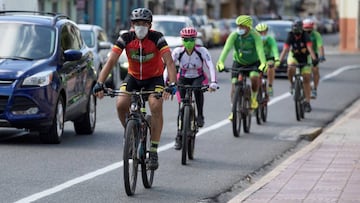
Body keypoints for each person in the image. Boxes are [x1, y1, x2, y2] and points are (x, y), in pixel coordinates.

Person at [92, 8, 177, 170]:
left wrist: (172, 84)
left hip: (154, 79)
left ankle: (153, 150)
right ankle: (131, 133)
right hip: (133, 78)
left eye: (144, 24)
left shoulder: (157, 37)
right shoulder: (125, 38)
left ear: (150, 25)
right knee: (120, 104)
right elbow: (111, 62)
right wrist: (100, 82)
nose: (140, 27)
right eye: (137, 23)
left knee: (155, 105)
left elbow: (170, 62)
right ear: (132, 24)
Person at [163, 27, 218, 150]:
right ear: (182, 40)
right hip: (183, 77)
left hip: (198, 77)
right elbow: (168, 66)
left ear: (195, 40)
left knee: (198, 90)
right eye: (186, 39)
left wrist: (213, 82)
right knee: (181, 107)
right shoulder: (178, 51)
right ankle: (179, 135)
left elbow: (210, 65)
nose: (189, 42)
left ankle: (200, 115)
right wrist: (164, 82)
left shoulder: (202, 50)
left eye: (191, 39)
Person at [216, 15, 267, 120]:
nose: (239, 28)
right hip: (238, 62)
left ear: (248, 27)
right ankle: (233, 110)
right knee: (234, 84)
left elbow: (260, 50)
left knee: (254, 77)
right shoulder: (234, 35)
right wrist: (220, 62)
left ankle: (253, 99)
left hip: (253, 62)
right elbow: (226, 49)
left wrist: (263, 63)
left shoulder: (255, 35)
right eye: (238, 26)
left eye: (242, 26)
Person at [279, 20, 318, 112]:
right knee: (291, 67)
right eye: (294, 31)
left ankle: (307, 102)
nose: (296, 33)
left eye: (298, 31)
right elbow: (285, 49)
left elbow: (309, 48)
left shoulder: (305, 35)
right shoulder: (290, 35)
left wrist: (314, 58)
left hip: (305, 57)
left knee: (306, 78)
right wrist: (279, 61)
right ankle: (292, 84)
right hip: (294, 56)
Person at [255, 22, 280, 96]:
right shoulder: (254, 39)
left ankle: (270, 86)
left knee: (270, 66)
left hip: (268, 59)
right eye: (260, 32)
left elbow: (275, 49)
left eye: (264, 32)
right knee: (256, 77)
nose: (262, 34)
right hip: (257, 59)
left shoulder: (270, 39)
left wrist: (277, 59)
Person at [302, 18, 326, 99]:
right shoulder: (300, 34)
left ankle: (314, 89)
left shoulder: (316, 35)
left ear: (312, 28)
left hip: (313, 54)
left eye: (309, 30)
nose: (307, 31)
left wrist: (322, 56)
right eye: (305, 29)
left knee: (315, 70)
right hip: (302, 53)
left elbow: (320, 46)